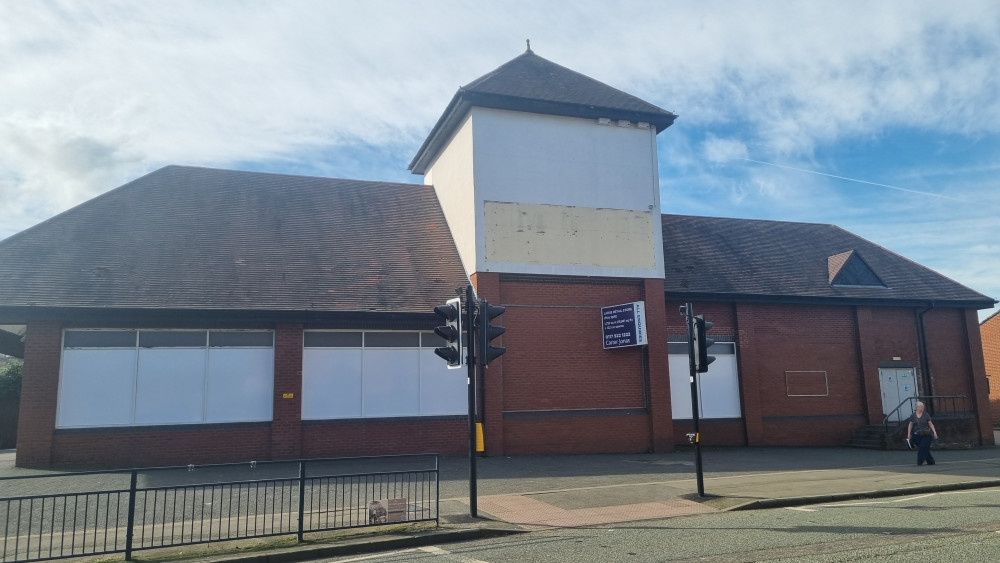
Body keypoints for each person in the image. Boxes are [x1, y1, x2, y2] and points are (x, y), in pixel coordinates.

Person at [906, 400, 938, 466]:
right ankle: (931, 462)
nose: (922, 407)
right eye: (921, 406)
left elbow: (930, 424)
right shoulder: (913, 416)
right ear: (917, 407)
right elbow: (910, 425)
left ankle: (919, 462)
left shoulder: (926, 414)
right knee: (924, 449)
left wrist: (934, 432)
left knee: (923, 447)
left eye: (923, 406)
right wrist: (908, 434)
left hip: (926, 434)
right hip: (917, 435)